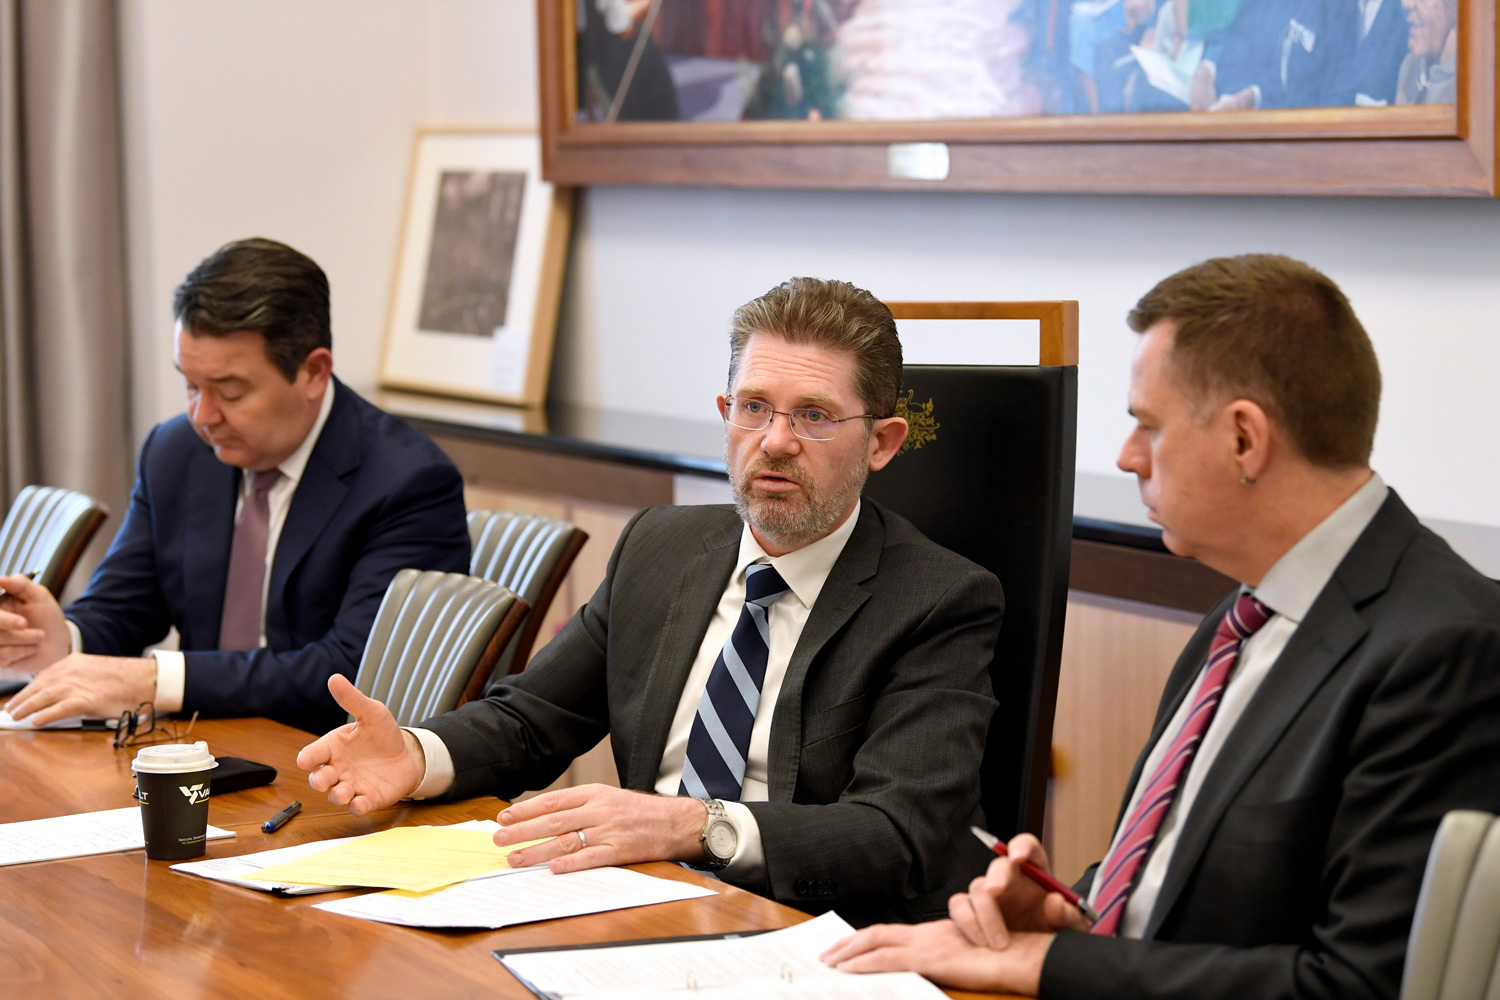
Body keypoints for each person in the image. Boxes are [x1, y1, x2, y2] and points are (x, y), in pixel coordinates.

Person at [822, 254, 1500, 998]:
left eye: (1148, 424)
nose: (1126, 455)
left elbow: (1357, 985)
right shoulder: (1243, 615)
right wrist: (1063, 915)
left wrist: (1046, 964)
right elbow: (1174, 891)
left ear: (1245, 439)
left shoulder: (1446, 648)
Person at [297, 277, 1003, 925]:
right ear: (726, 412)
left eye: (813, 416)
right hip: (638, 906)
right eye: (753, 408)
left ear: (881, 442)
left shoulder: (938, 601)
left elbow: (895, 831)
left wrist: (696, 825)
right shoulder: (660, 548)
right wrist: (418, 756)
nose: (775, 442)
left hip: (809, 933)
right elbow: (533, 721)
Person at [0, 238, 471, 734]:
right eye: (191, 385)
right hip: (197, 749)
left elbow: (356, 669)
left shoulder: (407, 482)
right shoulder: (176, 451)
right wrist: (58, 640)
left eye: (230, 391)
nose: (203, 416)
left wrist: (156, 679)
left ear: (313, 372)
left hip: (327, 764)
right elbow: (124, 606)